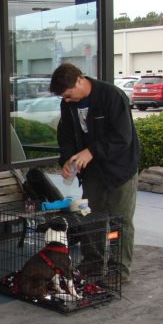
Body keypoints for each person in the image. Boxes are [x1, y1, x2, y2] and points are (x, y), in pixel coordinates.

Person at [49, 62, 140, 282]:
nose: (66, 100)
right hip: (92, 173)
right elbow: (66, 134)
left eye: (68, 95)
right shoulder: (68, 104)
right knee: (90, 217)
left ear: (80, 80)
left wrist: (91, 152)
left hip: (120, 169)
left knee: (120, 222)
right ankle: (92, 264)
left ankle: (118, 270)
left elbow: (122, 137)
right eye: (63, 97)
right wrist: (67, 159)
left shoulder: (112, 96)